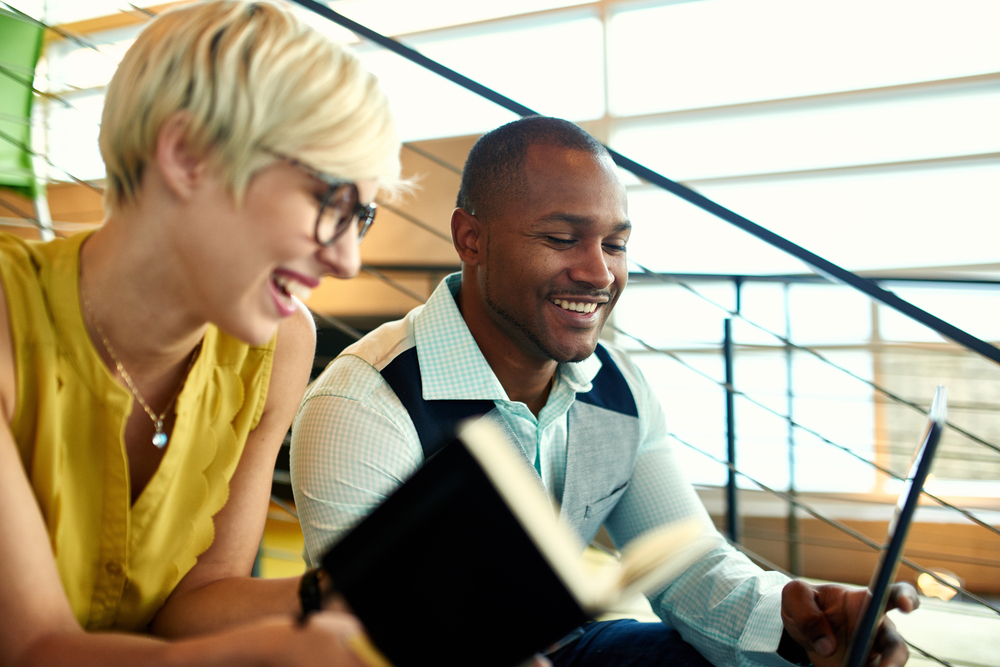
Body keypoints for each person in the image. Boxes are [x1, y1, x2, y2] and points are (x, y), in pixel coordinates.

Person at [289, 116, 919, 667]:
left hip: (563, 646)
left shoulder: (617, 387)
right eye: (562, 239)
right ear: (470, 238)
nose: (598, 273)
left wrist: (795, 620)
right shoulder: (365, 403)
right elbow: (363, 638)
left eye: (615, 244)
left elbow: (688, 564)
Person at [0, 2, 403, 665]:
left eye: (357, 216)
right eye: (328, 200)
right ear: (187, 154)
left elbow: (197, 600)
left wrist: (365, 592)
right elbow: (31, 647)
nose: (347, 260)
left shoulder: (280, 345)